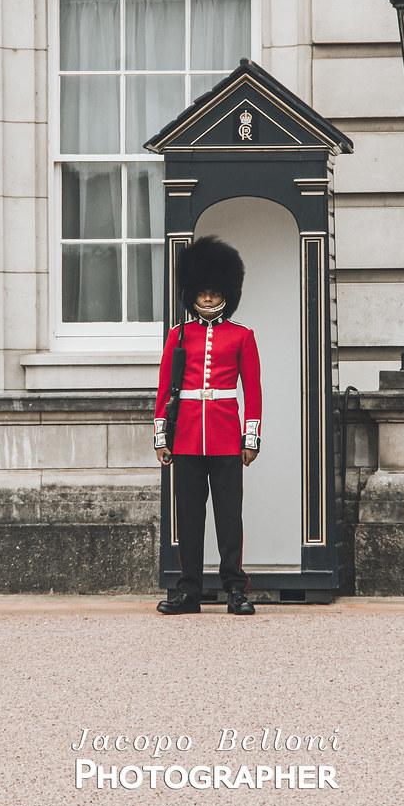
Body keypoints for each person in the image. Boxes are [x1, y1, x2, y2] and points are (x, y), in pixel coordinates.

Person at [153, 235, 262, 616]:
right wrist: (161, 436)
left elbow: (254, 391)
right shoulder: (177, 336)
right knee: (190, 519)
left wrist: (250, 438)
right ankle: (190, 591)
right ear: (192, 294)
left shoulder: (242, 337)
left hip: (226, 437)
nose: (210, 299)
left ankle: (235, 588)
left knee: (229, 518)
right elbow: (165, 387)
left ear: (226, 294)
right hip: (185, 438)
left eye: (216, 293)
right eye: (203, 293)